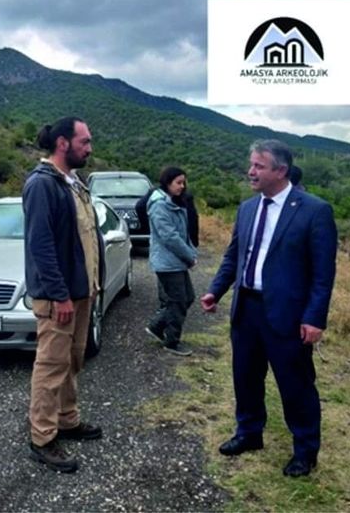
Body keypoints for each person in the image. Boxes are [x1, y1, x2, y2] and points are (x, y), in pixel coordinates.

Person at [200, 139, 337, 477]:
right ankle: (249, 433)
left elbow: (323, 273)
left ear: (281, 170)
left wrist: (314, 317)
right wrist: (216, 290)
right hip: (246, 308)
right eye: (251, 164)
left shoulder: (314, 210)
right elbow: (235, 255)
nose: (251, 171)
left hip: (288, 316)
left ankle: (305, 451)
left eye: (259, 166)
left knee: (296, 385)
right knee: (245, 377)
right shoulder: (247, 208)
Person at [23, 116, 104, 473]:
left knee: (72, 360)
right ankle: (42, 437)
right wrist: (59, 295)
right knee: (51, 366)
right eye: (84, 141)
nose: (89, 147)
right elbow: (40, 246)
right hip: (60, 297)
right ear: (62, 144)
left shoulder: (73, 183)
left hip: (81, 292)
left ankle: (67, 419)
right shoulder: (42, 185)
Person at [144, 167, 198, 356]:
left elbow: (183, 233)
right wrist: (189, 256)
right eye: (178, 182)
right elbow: (170, 237)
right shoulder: (160, 205)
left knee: (187, 298)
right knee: (178, 301)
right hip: (167, 263)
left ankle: (157, 327)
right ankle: (171, 341)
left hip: (176, 262)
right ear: (167, 182)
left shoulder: (174, 202)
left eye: (184, 182)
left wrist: (191, 252)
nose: (182, 187)